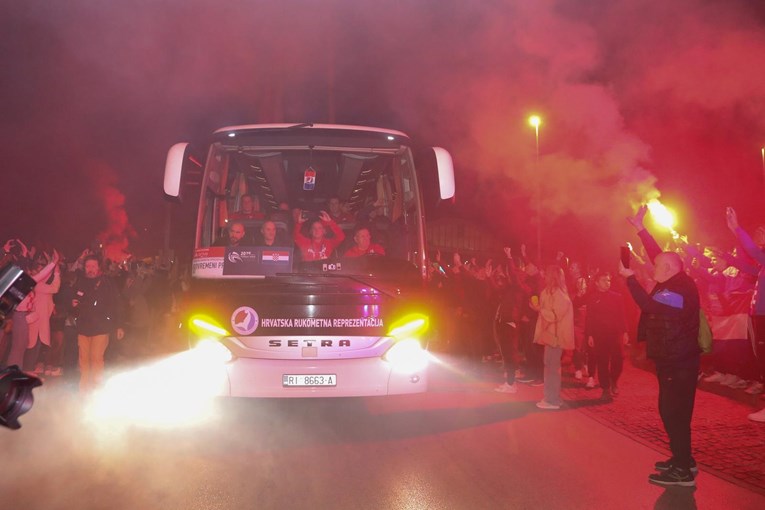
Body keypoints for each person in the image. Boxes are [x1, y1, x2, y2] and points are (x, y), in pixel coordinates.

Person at [620, 248, 701, 487]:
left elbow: (648, 304)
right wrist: (642, 231)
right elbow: (663, 256)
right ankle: (683, 459)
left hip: (678, 363)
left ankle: (682, 470)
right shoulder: (675, 280)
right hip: (674, 360)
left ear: (668, 269)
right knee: (675, 413)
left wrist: (629, 278)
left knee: (673, 412)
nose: (651, 266)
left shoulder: (678, 290)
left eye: (656, 265)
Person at [725, 207, 765, 422]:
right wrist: (726, 257)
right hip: (760, 315)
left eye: (762, 232)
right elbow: (751, 268)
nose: (759, 236)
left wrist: (737, 229)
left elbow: (753, 251)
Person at [71, 255, 124, 393]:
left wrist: (119, 325)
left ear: (99, 267)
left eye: (93, 266)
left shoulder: (107, 283)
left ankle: (96, 389)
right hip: (83, 328)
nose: (90, 269)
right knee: (83, 361)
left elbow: (117, 304)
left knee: (96, 358)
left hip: (101, 328)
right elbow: (73, 303)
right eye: (88, 266)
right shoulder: (80, 282)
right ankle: (84, 390)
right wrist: (73, 305)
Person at [533, 265, 575, 410]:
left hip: (555, 337)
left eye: (547, 274)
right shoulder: (552, 292)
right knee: (550, 366)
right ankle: (550, 398)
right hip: (550, 335)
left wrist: (539, 309)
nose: (544, 275)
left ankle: (553, 400)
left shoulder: (560, 295)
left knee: (552, 368)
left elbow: (554, 315)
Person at [584, 271, 628, 402]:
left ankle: (613, 380)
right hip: (599, 334)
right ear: (597, 282)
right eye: (604, 280)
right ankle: (605, 388)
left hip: (615, 334)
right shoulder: (592, 298)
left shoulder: (617, 297)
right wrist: (590, 335)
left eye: (608, 280)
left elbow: (622, 315)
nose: (607, 283)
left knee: (619, 359)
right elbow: (589, 318)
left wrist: (625, 332)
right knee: (602, 362)